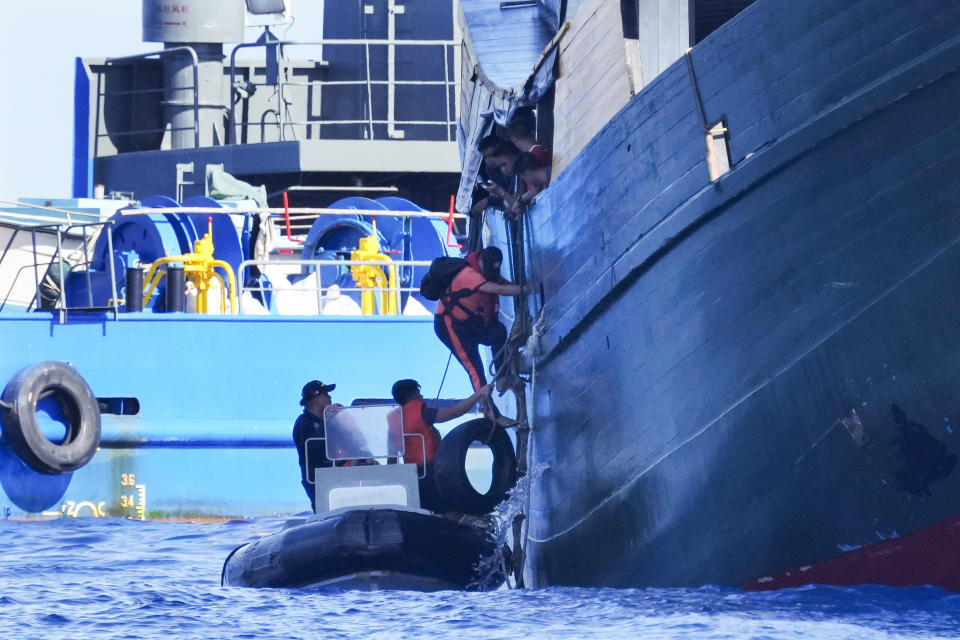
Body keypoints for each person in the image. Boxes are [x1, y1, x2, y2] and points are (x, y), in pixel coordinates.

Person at [433, 245, 525, 420]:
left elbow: (503, 284)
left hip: (469, 324)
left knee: (498, 333)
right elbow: (500, 290)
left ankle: (502, 377)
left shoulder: (487, 272)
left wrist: (522, 286)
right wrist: (528, 289)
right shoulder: (469, 275)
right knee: (475, 369)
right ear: (481, 261)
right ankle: (490, 412)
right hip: (450, 326)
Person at [388, 378, 493, 512]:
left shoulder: (393, 420)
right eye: (418, 393)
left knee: (432, 511)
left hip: (414, 477)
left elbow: (391, 456)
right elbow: (455, 412)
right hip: (433, 472)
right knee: (450, 509)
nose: (421, 396)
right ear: (412, 395)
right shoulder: (421, 412)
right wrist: (478, 394)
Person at [292, 380, 339, 509]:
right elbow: (320, 451)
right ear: (317, 398)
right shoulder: (304, 424)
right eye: (326, 394)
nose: (330, 397)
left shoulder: (327, 420)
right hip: (319, 481)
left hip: (336, 476)